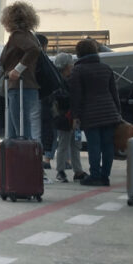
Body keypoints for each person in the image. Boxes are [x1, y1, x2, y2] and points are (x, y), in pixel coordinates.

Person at [69, 39, 122, 186]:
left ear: (79, 53)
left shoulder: (78, 70)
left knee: (94, 146)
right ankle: (105, 177)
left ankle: (95, 176)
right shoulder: (106, 68)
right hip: (109, 112)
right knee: (108, 146)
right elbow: (114, 93)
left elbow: (76, 96)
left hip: (90, 113)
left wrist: (75, 116)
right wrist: (118, 113)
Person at [0, 1, 42, 143]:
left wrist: (17, 70)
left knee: (21, 129)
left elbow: (33, 50)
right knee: (16, 129)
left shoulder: (18, 36)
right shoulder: (29, 35)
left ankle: (23, 160)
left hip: (19, 87)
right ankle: (17, 159)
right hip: (23, 87)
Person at [50, 52, 87, 183]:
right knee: (67, 145)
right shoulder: (65, 82)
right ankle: (64, 170)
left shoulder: (58, 80)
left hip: (69, 118)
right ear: (67, 66)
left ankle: (75, 171)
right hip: (67, 118)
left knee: (71, 145)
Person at [36, 33, 56, 172]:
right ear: (44, 46)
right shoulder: (45, 61)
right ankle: (45, 160)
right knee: (48, 133)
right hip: (45, 104)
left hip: (31, 103)